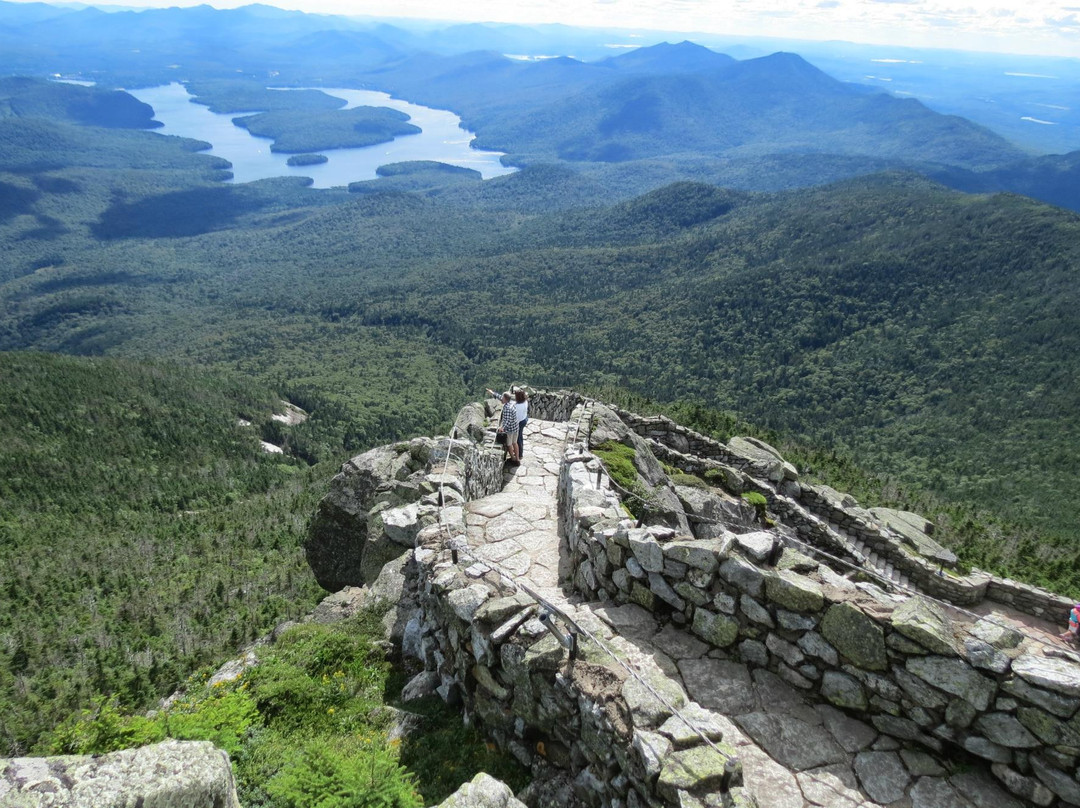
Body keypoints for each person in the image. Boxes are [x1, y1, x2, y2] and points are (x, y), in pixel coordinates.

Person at [496, 391, 519, 463]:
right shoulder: (511, 403)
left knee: (509, 444)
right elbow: (501, 397)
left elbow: (508, 421)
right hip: (516, 426)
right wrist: (492, 393)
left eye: (502, 398)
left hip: (510, 429)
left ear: (505, 399)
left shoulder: (507, 408)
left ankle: (513, 459)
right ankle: (517, 458)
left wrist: (502, 428)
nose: (501, 399)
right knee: (515, 443)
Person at [514, 388, 529, 459]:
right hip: (525, 419)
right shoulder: (525, 402)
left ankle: (520, 454)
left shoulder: (517, 406)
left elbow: (518, 418)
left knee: (518, 438)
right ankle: (520, 452)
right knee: (520, 436)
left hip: (520, 422)